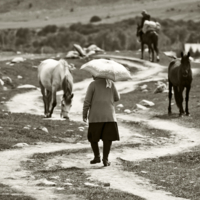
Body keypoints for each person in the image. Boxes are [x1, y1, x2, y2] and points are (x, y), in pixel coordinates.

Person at [83, 77, 120, 167]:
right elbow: (117, 98)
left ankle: (97, 157)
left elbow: (87, 101)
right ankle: (105, 159)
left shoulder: (93, 84)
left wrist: (84, 114)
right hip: (109, 116)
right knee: (108, 138)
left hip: (95, 116)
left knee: (93, 138)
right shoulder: (111, 84)